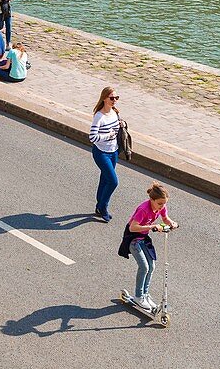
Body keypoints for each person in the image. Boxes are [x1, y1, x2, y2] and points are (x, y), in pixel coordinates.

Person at [118, 183, 179, 313]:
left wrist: (172, 223)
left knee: (152, 266)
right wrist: (152, 227)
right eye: (160, 203)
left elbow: (165, 218)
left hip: (143, 238)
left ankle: (145, 294)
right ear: (152, 200)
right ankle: (139, 296)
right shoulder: (143, 209)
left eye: (164, 203)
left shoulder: (161, 206)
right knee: (144, 267)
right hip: (133, 238)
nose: (162, 206)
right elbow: (132, 227)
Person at [90, 86, 122, 222]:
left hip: (113, 152)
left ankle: (99, 206)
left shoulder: (114, 113)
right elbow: (92, 137)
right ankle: (103, 207)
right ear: (104, 98)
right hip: (101, 153)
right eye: (112, 98)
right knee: (113, 181)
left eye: (116, 98)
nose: (114, 100)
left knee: (105, 178)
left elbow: (116, 130)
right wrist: (107, 135)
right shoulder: (99, 116)